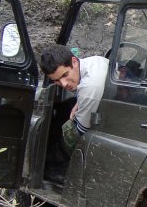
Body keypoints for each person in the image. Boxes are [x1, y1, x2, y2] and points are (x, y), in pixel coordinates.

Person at [39, 44, 108, 179]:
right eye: (57, 80)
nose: (64, 84)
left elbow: (81, 130)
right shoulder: (94, 61)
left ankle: (62, 168)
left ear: (74, 61)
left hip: (108, 124)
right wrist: (79, 102)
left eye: (65, 75)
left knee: (68, 131)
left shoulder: (90, 86)